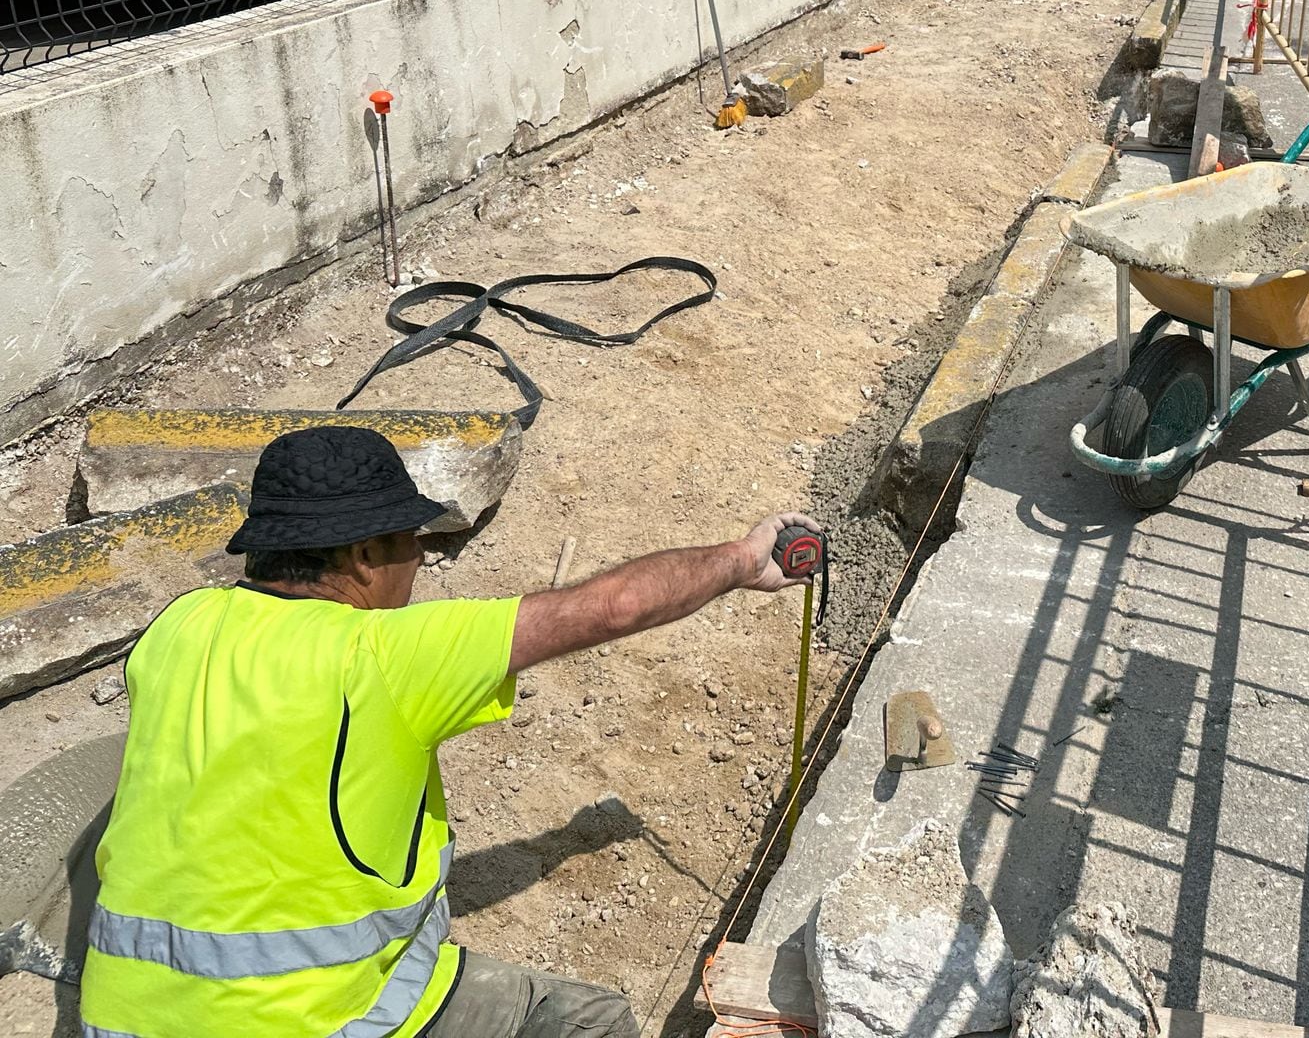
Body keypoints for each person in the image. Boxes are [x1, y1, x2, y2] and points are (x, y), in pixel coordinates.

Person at [80, 424, 818, 1038]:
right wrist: (742, 560)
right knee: (590, 1020)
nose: (423, 564)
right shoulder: (385, 655)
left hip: (120, 1020)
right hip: (314, 1021)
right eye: (414, 545)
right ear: (363, 556)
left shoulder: (178, 624)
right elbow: (614, 606)